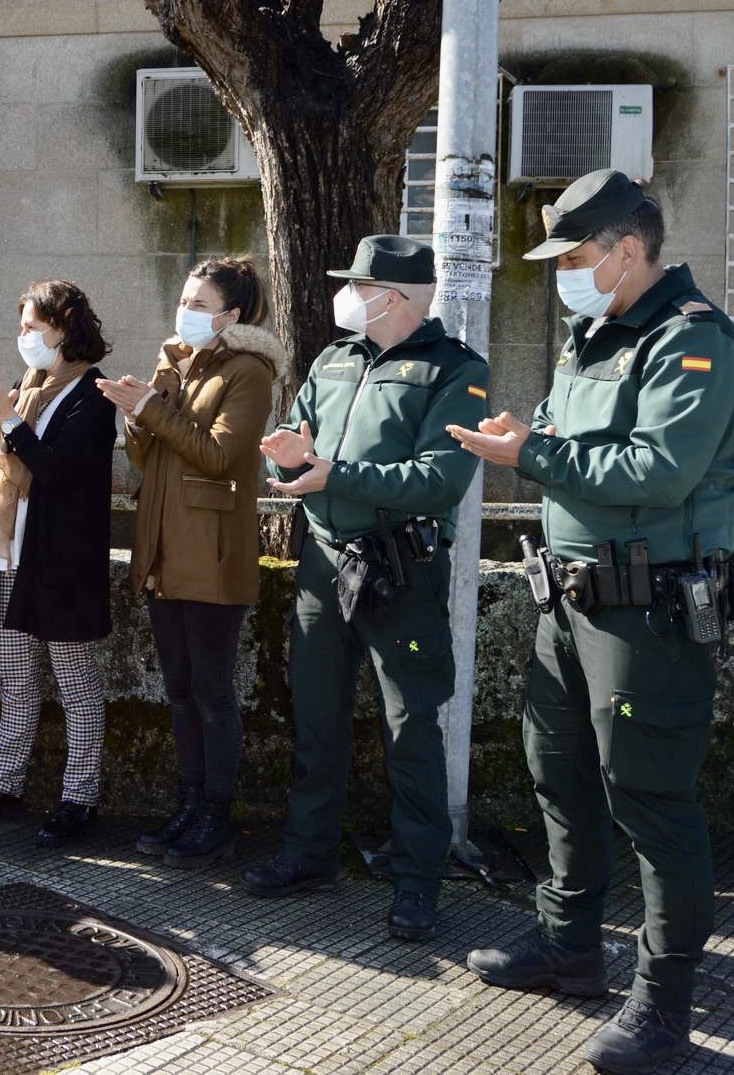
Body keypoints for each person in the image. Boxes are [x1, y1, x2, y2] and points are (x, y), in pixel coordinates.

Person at [454, 170, 734, 1074]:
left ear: (629, 250)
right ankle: (568, 945)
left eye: (577, 255)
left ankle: (663, 1008)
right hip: (573, 599)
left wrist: (532, 452)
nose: (563, 274)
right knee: (559, 775)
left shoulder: (691, 342)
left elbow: (658, 471)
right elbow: (566, 438)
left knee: (652, 801)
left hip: (649, 610)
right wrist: (529, 437)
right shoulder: (595, 335)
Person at [248, 235, 489, 944]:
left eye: (359, 283)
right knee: (316, 718)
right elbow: (298, 432)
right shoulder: (333, 359)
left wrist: (335, 475)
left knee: (411, 727)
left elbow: (441, 478)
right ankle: (308, 854)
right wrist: (290, 455)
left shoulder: (457, 369)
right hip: (325, 562)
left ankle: (418, 882)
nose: (347, 294)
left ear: (400, 297)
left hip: (402, 570)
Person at [98, 257, 282, 866]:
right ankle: (187, 802)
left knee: (211, 692)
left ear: (231, 315)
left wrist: (153, 407)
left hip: (212, 553)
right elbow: (150, 460)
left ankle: (215, 815)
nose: (186, 312)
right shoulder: (176, 363)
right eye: (184, 300)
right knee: (178, 690)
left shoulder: (249, 371)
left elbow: (222, 456)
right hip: (164, 548)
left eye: (199, 304)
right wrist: (137, 414)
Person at [0, 279, 117, 847]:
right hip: (9, 548)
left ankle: (79, 797)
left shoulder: (93, 395)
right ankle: (4, 782)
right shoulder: (27, 387)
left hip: (62, 556)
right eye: (20, 327)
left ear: (64, 329)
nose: (23, 339)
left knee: (76, 682)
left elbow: (59, 472)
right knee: (16, 679)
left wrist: (10, 423)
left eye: (32, 328)